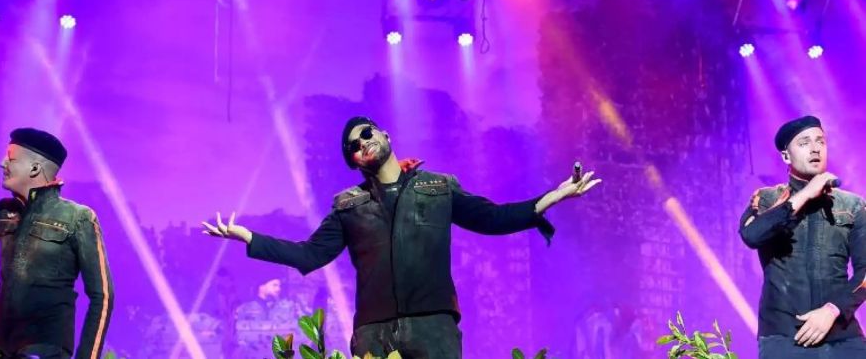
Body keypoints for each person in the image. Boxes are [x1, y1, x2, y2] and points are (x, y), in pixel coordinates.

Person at [203, 116, 601, 358]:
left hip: (433, 329)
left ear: (386, 135)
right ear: (355, 161)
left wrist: (552, 197)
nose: (362, 143)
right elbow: (309, 255)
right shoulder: (348, 206)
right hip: (374, 332)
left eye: (366, 134)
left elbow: (492, 218)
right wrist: (248, 237)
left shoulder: (438, 187)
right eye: (353, 147)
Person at [0, 128, 114, 359]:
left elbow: (102, 295)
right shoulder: (5, 212)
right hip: (0, 349)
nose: (3, 163)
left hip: (45, 350)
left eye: (11, 158)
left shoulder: (77, 217)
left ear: (35, 168)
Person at [740, 115, 866, 358]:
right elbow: (751, 235)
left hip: (843, 337)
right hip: (785, 338)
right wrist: (806, 194)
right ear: (786, 156)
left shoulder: (853, 205)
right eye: (804, 142)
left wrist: (832, 310)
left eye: (820, 141)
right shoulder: (766, 198)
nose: (815, 147)